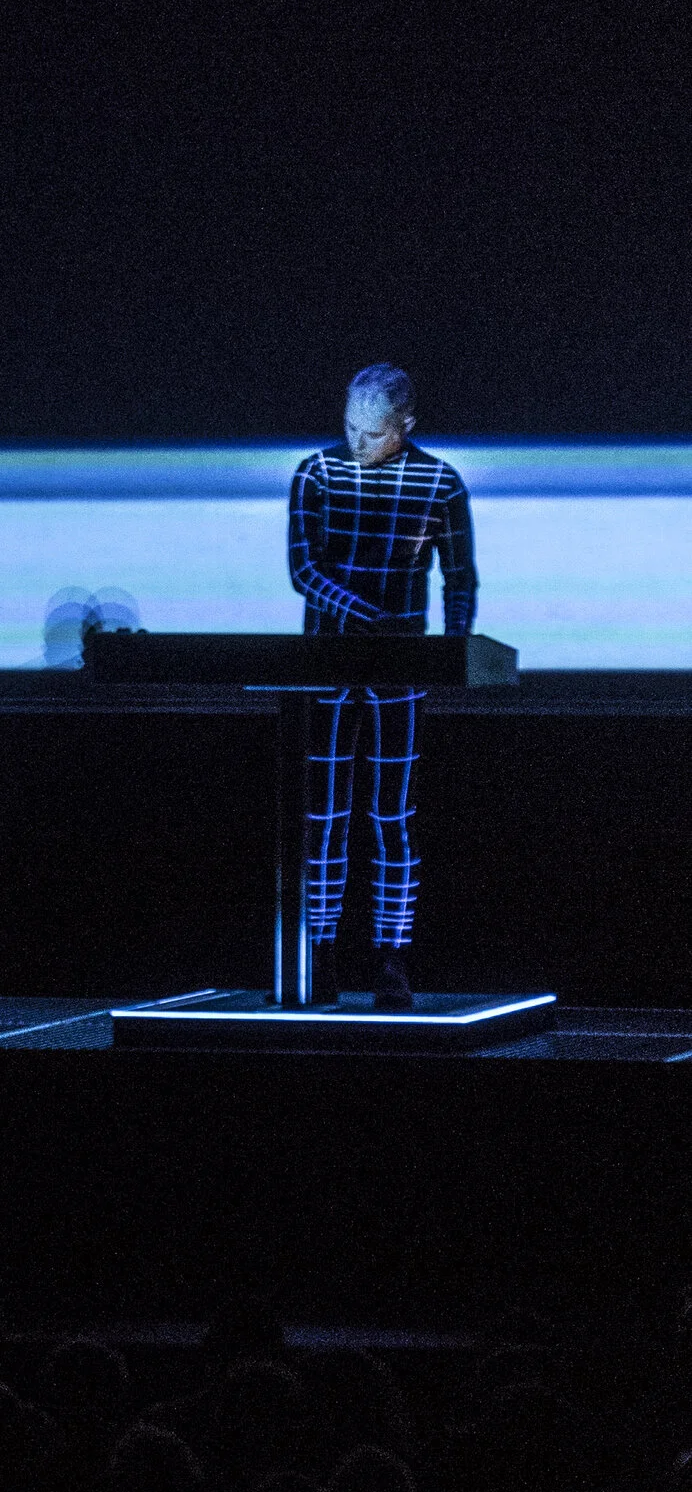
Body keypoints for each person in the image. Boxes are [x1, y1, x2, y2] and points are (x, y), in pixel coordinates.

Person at [287, 363, 476, 1008]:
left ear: (405, 425)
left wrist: (454, 650)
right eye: (351, 428)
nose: (358, 442)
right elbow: (303, 568)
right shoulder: (316, 473)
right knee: (323, 814)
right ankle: (320, 952)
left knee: (392, 814)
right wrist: (360, 613)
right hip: (328, 664)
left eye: (373, 433)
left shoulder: (439, 481)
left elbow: (459, 576)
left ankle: (392, 957)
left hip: (401, 667)